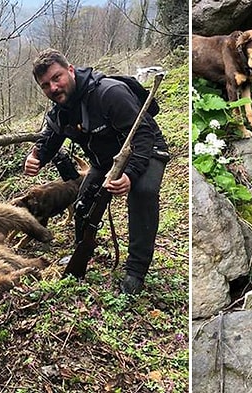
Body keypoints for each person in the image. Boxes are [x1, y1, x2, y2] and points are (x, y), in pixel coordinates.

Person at [24, 48, 169, 294]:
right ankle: (83, 251)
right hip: (105, 160)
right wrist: (37, 156)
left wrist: (131, 174)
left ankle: (135, 271)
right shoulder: (61, 109)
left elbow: (143, 135)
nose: (54, 88)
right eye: (45, 85)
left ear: (70, 70)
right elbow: (51, 137)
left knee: (142, 193)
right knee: (83, 204)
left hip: (146, 149)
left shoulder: (109, 93)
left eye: (57, 78)